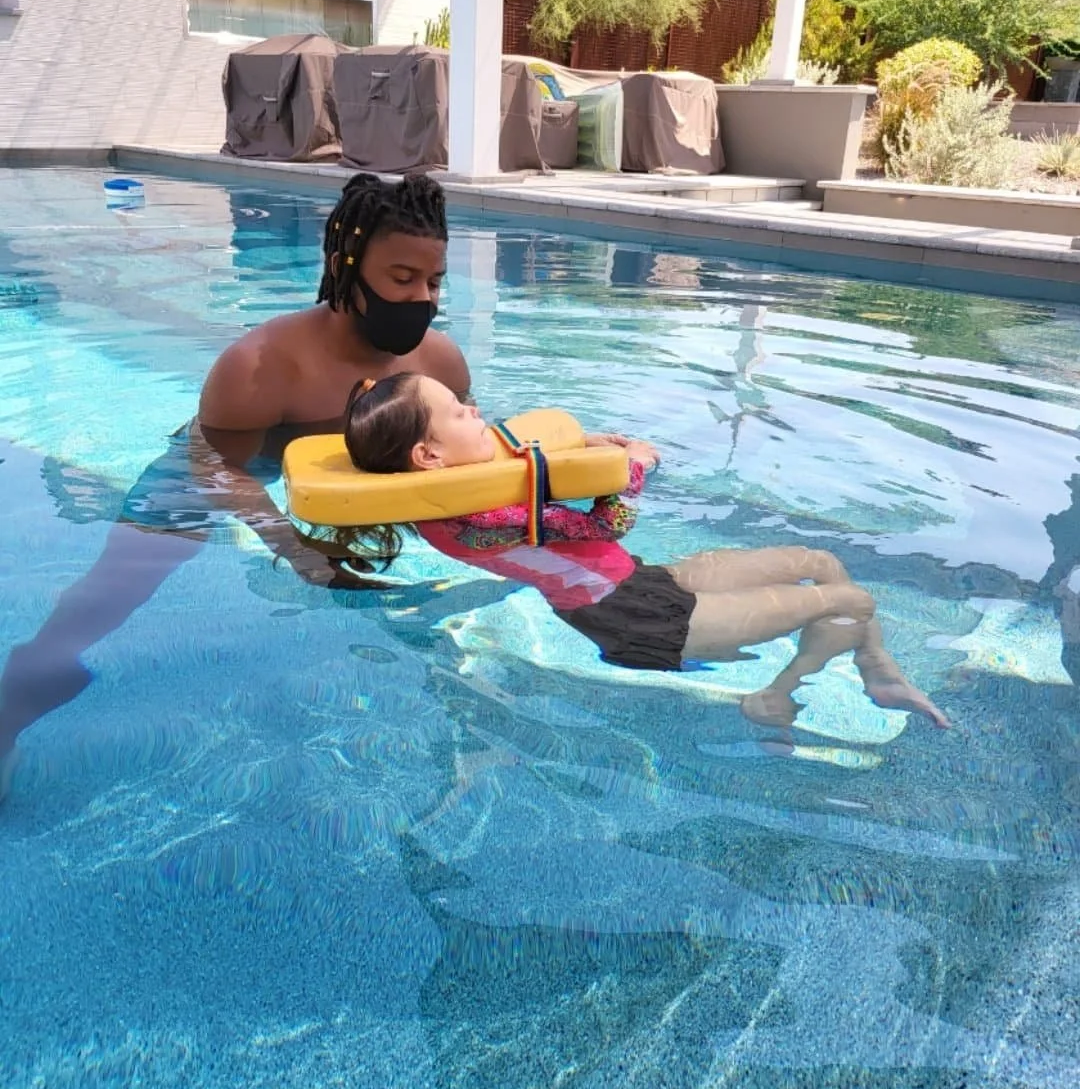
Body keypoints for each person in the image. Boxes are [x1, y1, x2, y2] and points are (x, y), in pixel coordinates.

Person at [0, 174, 470, 789]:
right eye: (401, 279)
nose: (421, 300)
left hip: (349, 467)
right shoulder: (261, 366)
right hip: (224, 461)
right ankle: (22, 687)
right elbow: (215, 466)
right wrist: (295, 548)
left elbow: (470, 442)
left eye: (433, 283)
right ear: (344, 265)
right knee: (119, 583)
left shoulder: (437, 362)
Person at [342, 374, 951, 730]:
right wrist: (633, 467)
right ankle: (778, 695)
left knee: (817, 564)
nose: (476, 411)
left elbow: (529, 474)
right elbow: (610, 526)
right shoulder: (482, 514)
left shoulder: (444, 499)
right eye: (458, 411)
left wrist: (586, 452)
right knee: (852, 599)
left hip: (641, 584)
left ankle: (879, 673)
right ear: (429, 456)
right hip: (634, 617)